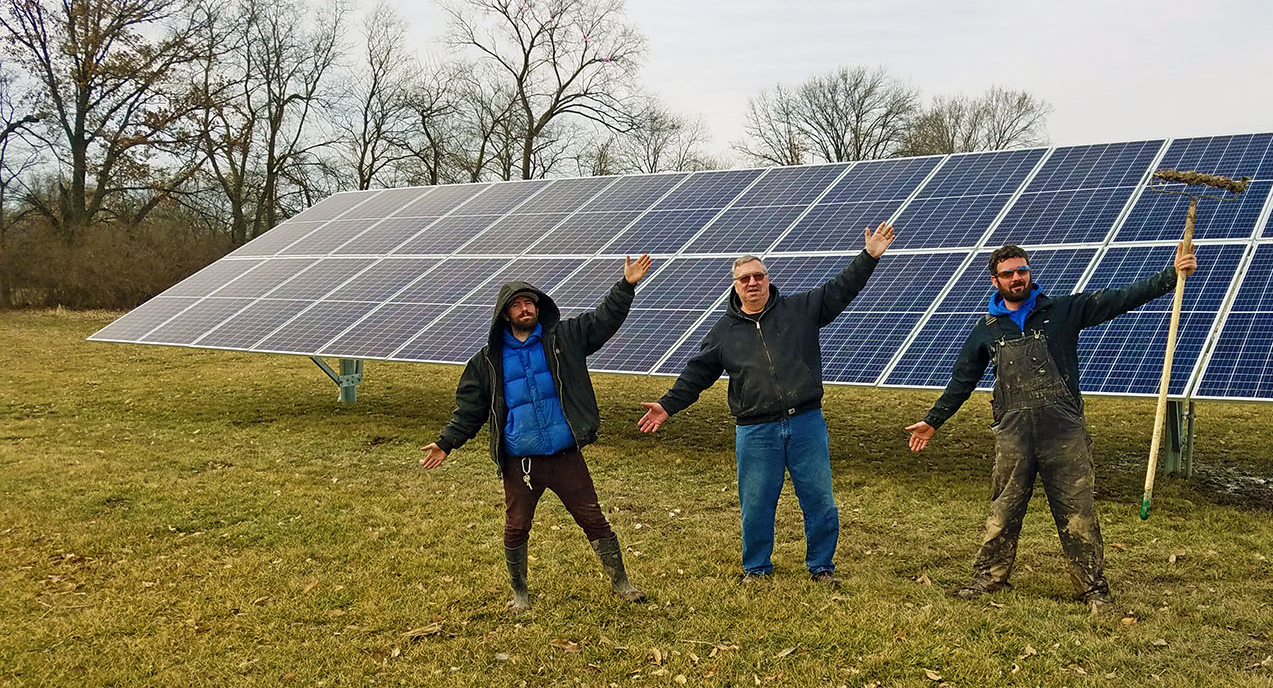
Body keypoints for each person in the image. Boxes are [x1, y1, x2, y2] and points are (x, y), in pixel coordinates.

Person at [904, 241, 1196, 609]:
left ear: (1029, 273)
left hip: (1064, 433)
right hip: (1013, 436)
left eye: (1021, 270)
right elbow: (962, 380)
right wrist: (933, 421)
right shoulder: (987, 330)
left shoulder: (1062, 311)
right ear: (995, 281)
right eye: (1008, 273)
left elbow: (1119, 298)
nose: (1016, 278)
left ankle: (1092, 588)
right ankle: (989, 578)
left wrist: (1171, 276)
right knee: (1004, 509)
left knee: (1078, 512)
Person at [638, 223, 896, 584]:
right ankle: (756, 568)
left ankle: (822, 566)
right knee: (756, 504)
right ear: (735, 285)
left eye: (758, 276)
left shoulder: (800, 309)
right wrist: (667, 405)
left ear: (768, 279)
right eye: (744, 279)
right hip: (755, 430)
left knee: (819, 500)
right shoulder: (723, 332)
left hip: (806, 422)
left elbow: (842, 289)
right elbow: (697, 375)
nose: (753, 283)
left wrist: (869, 256)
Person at [419, 254, 653, 613]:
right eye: (517, 305)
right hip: (520, 462)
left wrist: (626, 285)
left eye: (530, 302)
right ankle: (519, 592)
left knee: (593, 518)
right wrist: (447, 442)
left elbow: (603, 321)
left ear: (539, 308)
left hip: (565, 456)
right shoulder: (486, 361)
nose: (525, 308)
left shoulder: (566, 339)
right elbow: (470, 409)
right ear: (504, 314)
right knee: (516, 527)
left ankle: (621, 582)